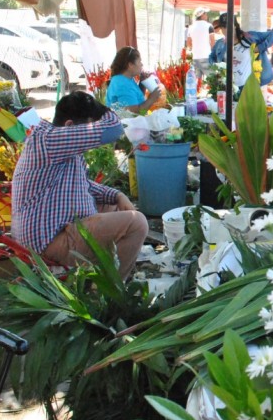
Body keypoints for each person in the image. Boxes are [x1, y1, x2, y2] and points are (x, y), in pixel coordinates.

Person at [11, 92, 148, 280]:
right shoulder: (50, 140)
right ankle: (111, 292)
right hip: (47, 242)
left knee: (115, 207)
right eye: (89, 127)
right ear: (70, 127)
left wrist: (117, 195)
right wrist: (103, 109)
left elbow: (82, 184)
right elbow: (113, 128)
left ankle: (100, 274)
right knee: (136, 223)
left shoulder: (57, 142)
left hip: (56, 229)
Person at [209, 13, 273, 88]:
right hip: (228, 87)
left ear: (235, 26)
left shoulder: (249, 37)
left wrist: (259, 48)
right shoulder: (220, 43)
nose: (226, 30)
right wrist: (217, 67)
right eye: (223, 27)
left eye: (228, 26)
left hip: (248, 86)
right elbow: (211, 58)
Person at [105, 46, 163, 113]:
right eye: (139, 61)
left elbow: (136, 100)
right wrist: (152, 99)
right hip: (129, 122)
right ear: (130, 65)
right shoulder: (123, 85)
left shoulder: (124, 79)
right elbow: (134, 113)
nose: (142, 64)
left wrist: (142, 84)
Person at [186, 6, 215, 78]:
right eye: (205, 14)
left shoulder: (191, 27)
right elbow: (213, 42)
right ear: (202, 15)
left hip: (195, 58)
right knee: (212, 81)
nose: (207, 15)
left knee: (197, 82)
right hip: (206, 57)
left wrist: (195, 49)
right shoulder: (209, 26)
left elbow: (189, 43)